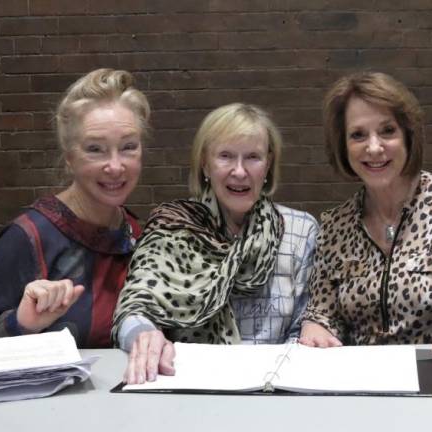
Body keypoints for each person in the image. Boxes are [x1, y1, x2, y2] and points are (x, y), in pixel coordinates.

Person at [298, 72, 432, 363]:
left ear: (408, 134)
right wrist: (315, 329)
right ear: (343, 145)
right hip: (362, 383)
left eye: (387, 130)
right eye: (358, 134)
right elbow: (322, 314)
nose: (374, 147)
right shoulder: (335, 225)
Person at [114, 103, 318, 384]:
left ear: (269, 164)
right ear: (205, 163)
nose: (239, 171)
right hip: (191, 387)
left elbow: (303, 326)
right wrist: (144, 335)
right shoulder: (172, 227)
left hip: (275, 391)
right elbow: (133, 309)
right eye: (225, 156)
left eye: (253, 157)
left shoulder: (301, 230)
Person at [0, 68, 147, 347]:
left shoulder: (138, 233)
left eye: (128, 147)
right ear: (69, 157)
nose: (115, 166)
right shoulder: (28, 237)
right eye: (95, 149)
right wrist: (17, 323)